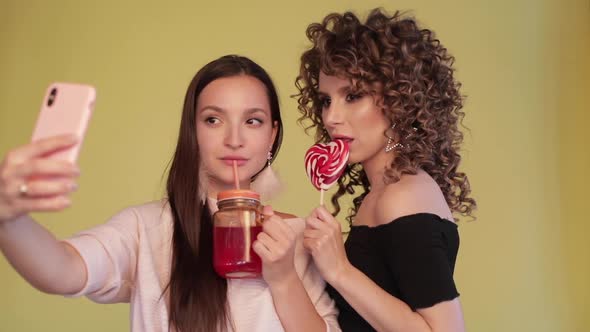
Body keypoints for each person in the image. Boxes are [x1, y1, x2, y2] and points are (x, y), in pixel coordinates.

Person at [0, 55, 339, 332]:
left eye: (253, 121)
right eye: (213, 120)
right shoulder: (146, 228)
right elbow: (63, 271)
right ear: (192, 130)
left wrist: (283, 280)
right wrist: (8, 218)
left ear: (272, 135)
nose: (234, 139)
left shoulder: (295, 237)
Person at [295, 9, 477, 332]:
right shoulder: (382, 193)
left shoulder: (403, 195)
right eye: (325, 101)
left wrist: (339, 269)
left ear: (398, 101)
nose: (331, 117)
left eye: (353, 95)